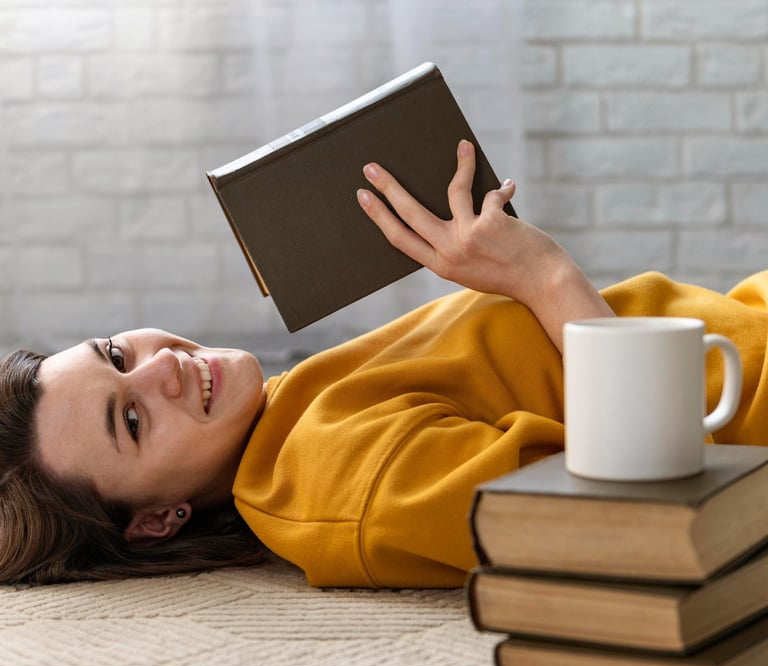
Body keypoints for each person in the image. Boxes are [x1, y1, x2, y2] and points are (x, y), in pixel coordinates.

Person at [2, 140, 768, 586]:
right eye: (131, 420)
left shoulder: (296, 410)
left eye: (114, 355)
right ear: (157, 523)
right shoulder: (341, 476)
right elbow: (649, 526)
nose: (158, 367)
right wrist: (544, 275)